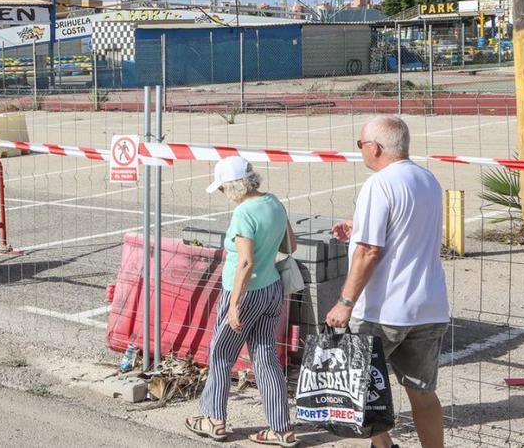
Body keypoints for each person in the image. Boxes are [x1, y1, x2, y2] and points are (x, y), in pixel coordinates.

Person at [325, 114, 449, 448]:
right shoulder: (427, 180)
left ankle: (384, 445)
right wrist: (357, 230)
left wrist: (345, 302)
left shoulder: (379, 184)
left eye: (361, 144)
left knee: (356, 388)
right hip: (429, 307)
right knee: (423, 394)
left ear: (376, 147)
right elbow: (406, 231)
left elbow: (369, 251)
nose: (360, 150)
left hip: (384, 311)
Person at [187, 155, 299, 447]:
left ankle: (214, 419)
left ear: (234, 186)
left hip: (245, 293)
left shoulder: (242, 214)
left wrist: (235, 303)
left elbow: (245, 262)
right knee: (265, 357)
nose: (223, 194)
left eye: (223, 188)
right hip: (272, 289)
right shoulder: (273, 202)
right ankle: (281, 427)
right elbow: (290, 245)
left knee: (221, 354)